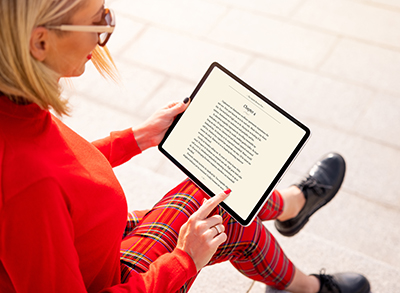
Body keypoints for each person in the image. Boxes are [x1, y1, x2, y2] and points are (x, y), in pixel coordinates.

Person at [0, 0, 370, 292]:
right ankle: (303, 262)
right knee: (223, 210)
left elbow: (61, 167)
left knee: (220, 206)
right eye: (99, 21)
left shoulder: (14, 110)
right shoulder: (28, 186)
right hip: (108, 279)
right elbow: (43, 183)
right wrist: (184, 259)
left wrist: (137, 138)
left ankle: (291, 214)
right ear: (40, 41)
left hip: (91, 245)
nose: (104, 32)